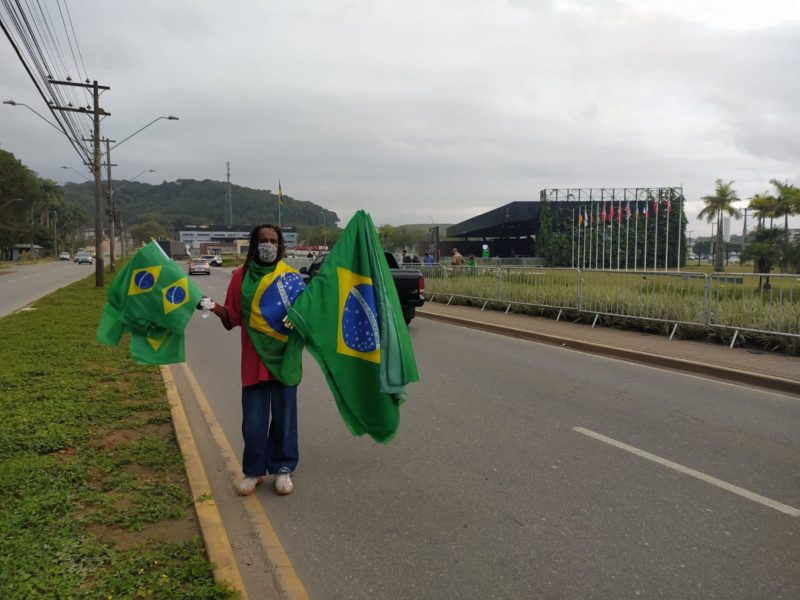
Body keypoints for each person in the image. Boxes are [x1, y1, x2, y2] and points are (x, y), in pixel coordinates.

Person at [205, 224, 305, 497]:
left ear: (280, 245)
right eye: (264, 240)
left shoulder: (291, 278)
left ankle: (283, 469)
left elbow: (306, 318)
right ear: (254, 244)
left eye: (273, 241)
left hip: (285, 359)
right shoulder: (240, 277)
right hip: (254, 359)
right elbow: (233, 319)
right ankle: (254, 471)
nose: (269, 245)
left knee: (285, 418)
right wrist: (213, 307)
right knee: (253, 420)